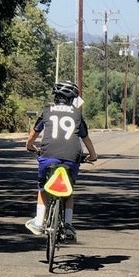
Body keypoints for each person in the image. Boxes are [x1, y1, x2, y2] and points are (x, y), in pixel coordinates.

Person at [25, 80, 98, 239]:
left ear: (56, 96)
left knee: (43, 187)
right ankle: (69, 224)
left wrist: (29, 145)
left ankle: (38, 221)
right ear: (72, 99)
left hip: (47, 156)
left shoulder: (46, 111)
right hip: (72, 158)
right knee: (69, 190)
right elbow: (86, 139)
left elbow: (33, 135)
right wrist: (93, 156)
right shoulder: (77, 114)